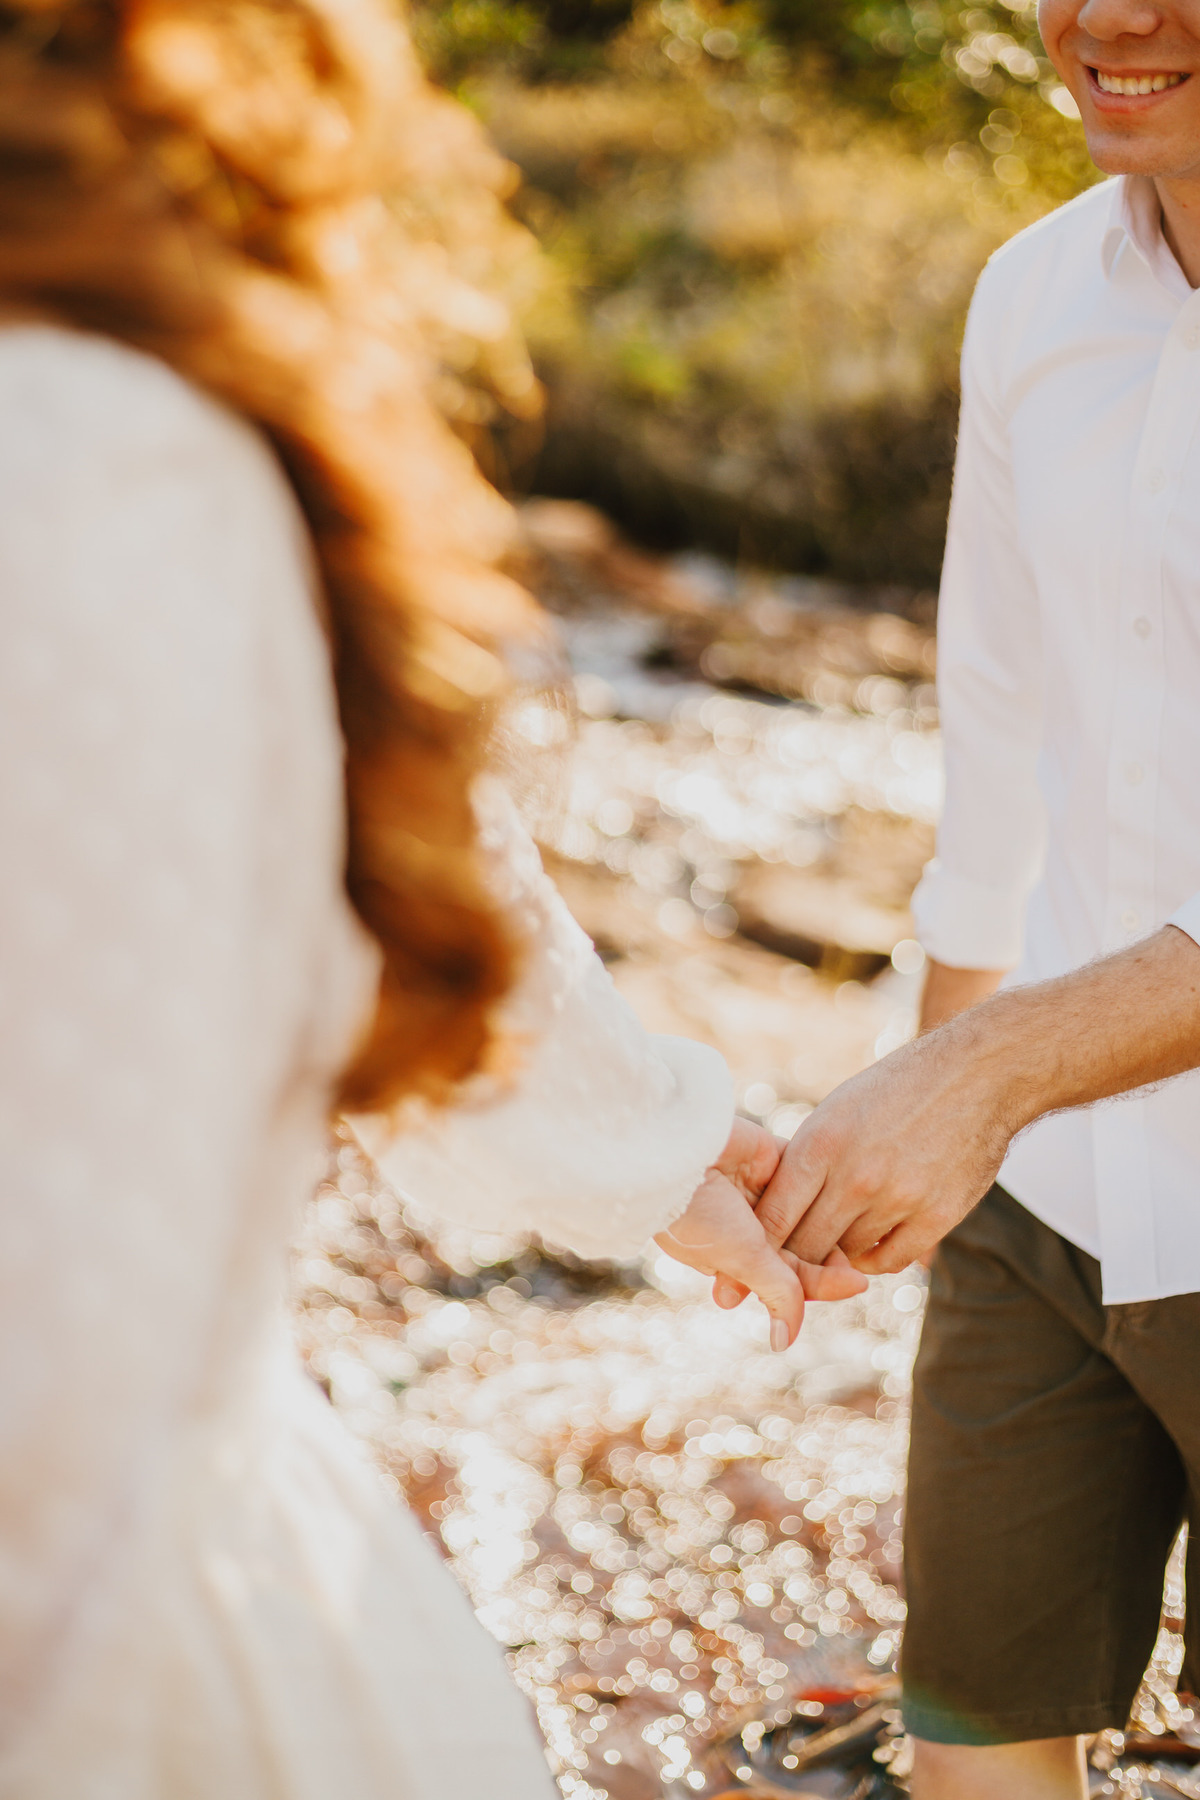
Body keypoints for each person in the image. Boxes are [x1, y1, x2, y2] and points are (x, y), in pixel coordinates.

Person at [0, 3, 865, 1794]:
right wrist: (658, 1161)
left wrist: (657, 1163)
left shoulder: (83, 460)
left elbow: (60, 1334)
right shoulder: (144, 442)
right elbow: (430, 880)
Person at [741, 3, 1200, 1796]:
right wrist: (930, 1141)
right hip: (1044, 1205)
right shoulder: (1031, 295)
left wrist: (980, 1077)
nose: (1108, 17)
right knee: (974, 1746)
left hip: (1038, 1099)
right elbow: (996, 735)